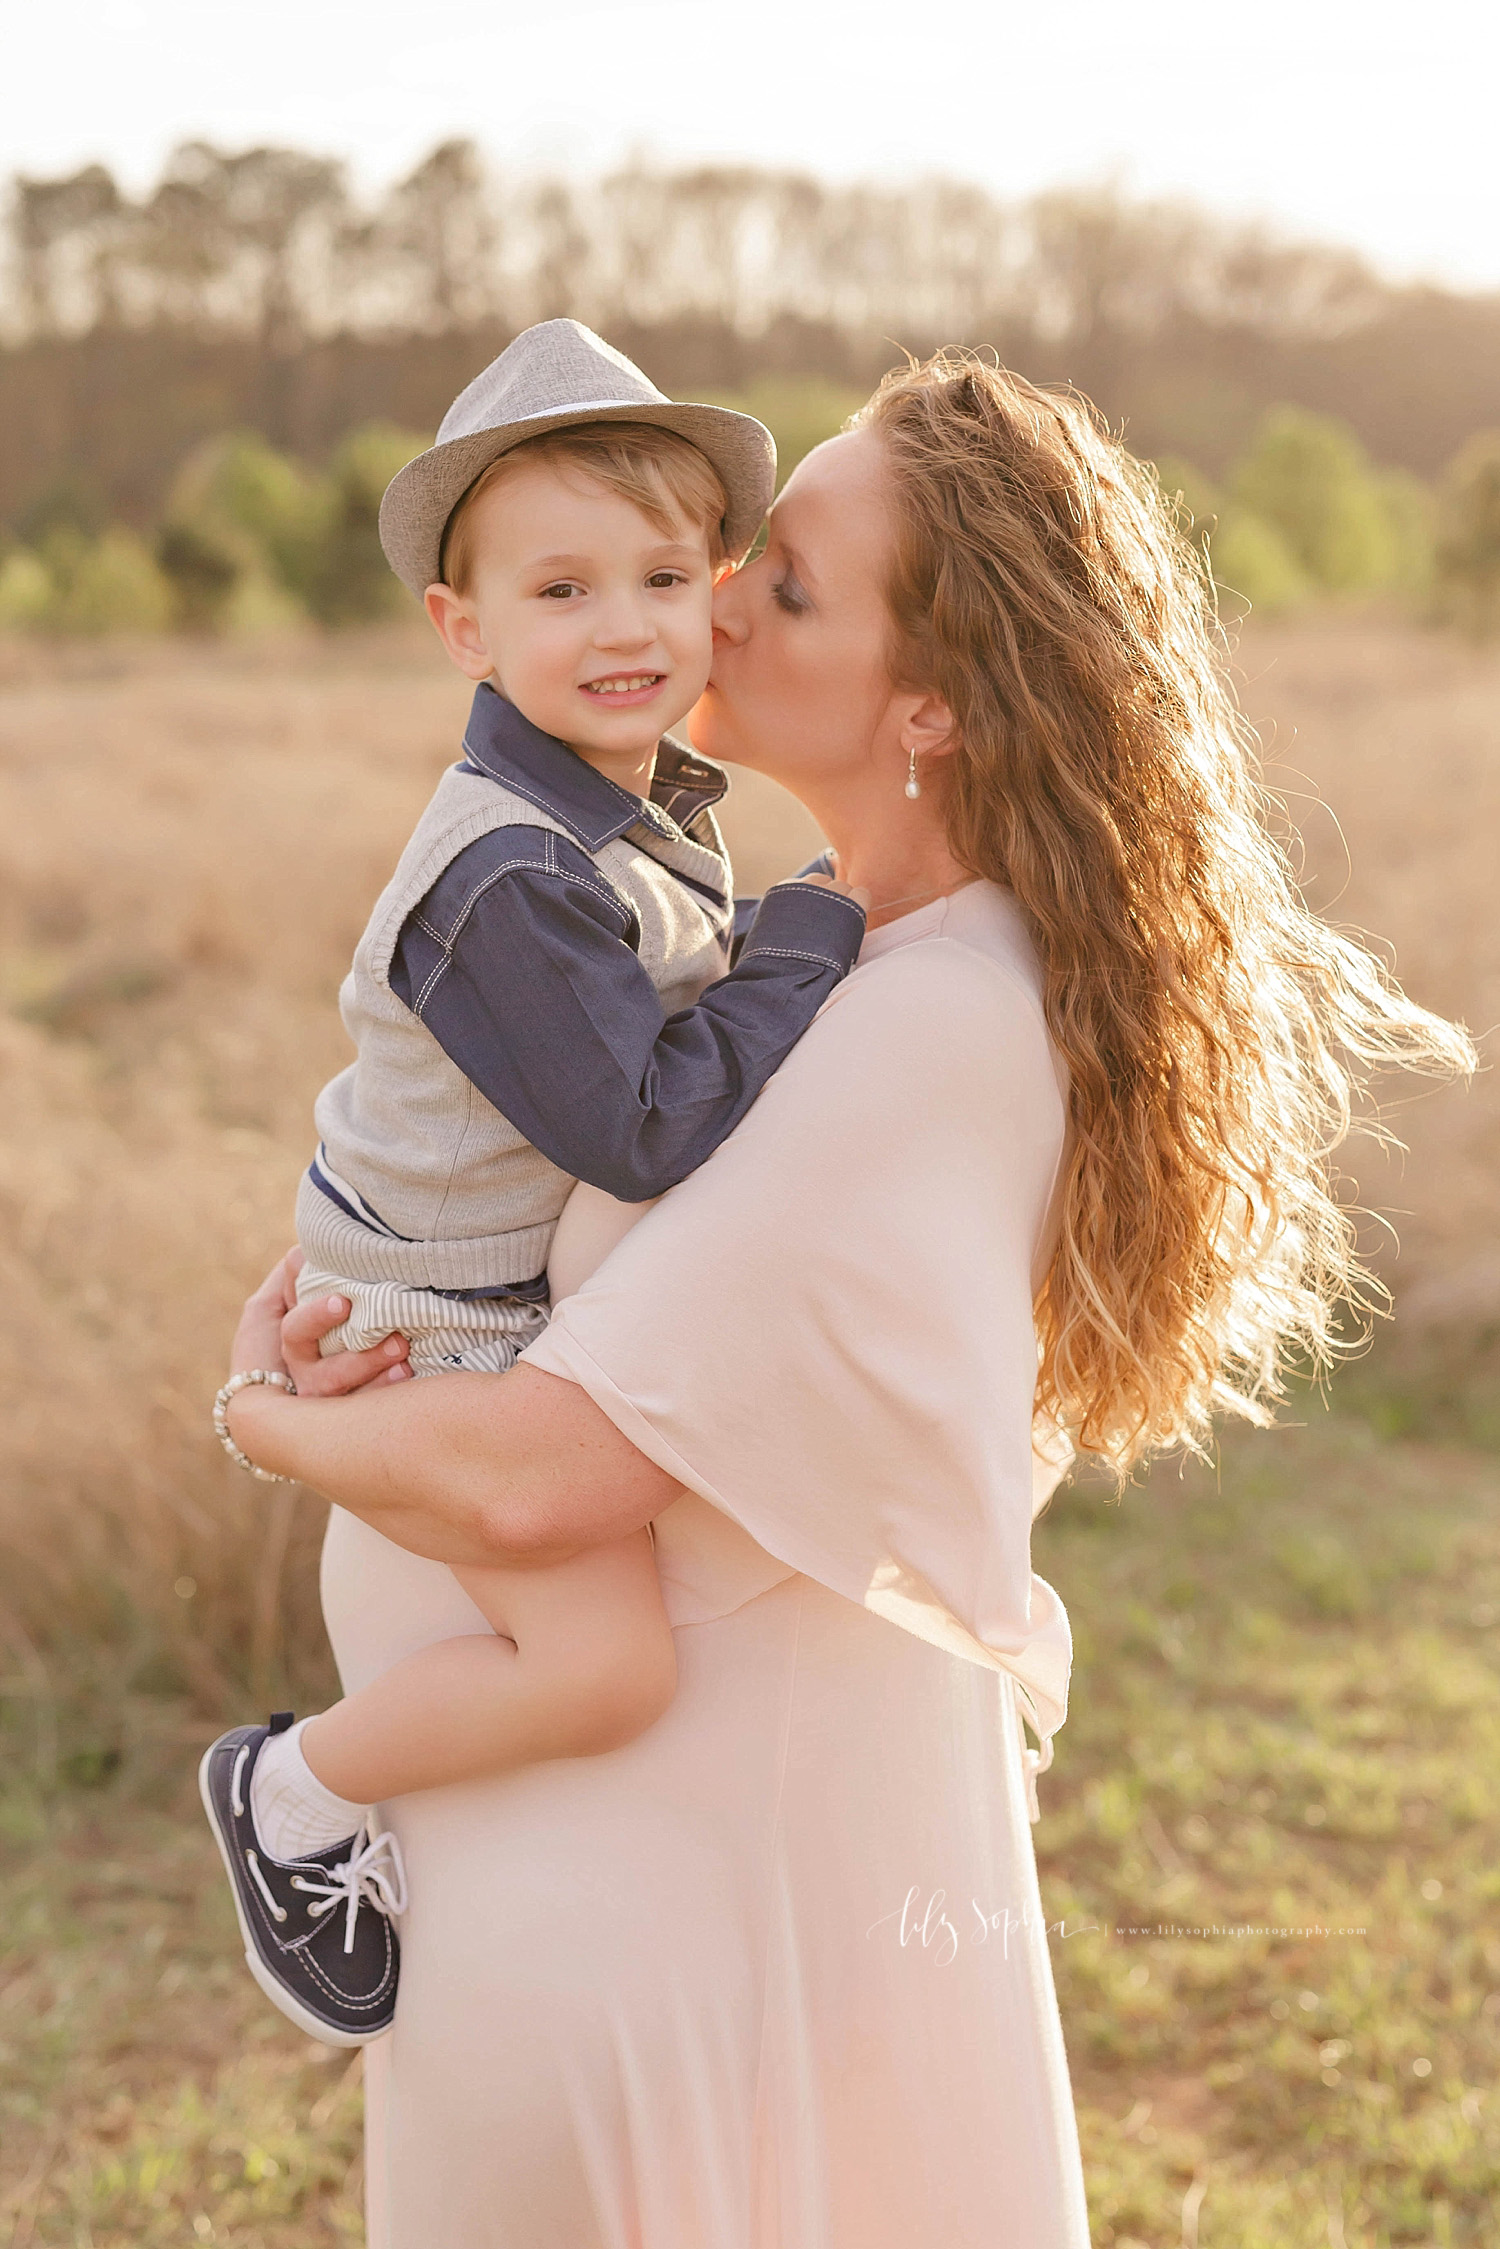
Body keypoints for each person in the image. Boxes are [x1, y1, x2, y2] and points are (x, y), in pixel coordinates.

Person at [220, 352, 1471, 2247]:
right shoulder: (804, 948)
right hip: (607, 1863)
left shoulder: (925, 1018)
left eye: (779, 583)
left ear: (934, 705)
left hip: (670, 1903)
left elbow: (559, 1478)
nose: (707, 599)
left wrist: (267, 1420)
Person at [199, 319, 868, 2047]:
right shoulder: (507, 872)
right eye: (559, 590)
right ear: (463, 628)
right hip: (433, 1317)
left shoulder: (625, 806)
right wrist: (812, 925)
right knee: (608, 1664)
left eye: (658, 573)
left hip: (479, 1285)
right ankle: (291, 1791)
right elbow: (639, 1126)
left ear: (714, 586)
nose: (624, 624)